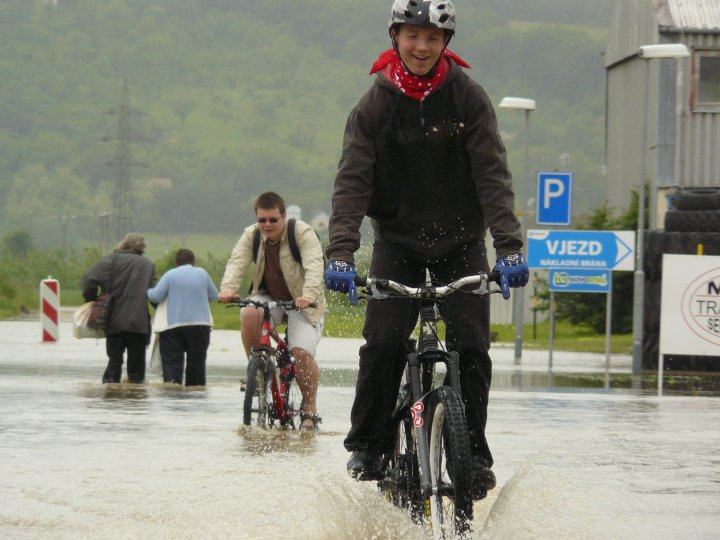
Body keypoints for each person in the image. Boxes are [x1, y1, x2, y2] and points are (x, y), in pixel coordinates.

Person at [324, 0, 529, 491]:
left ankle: (474, 457)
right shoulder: (374, 104)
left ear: (446, 45)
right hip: (397, 242)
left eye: (433, 38)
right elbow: (352, 181)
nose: (421, 46)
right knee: (384, 343)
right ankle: (369, 444)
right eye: (412, 36)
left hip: (461, 241)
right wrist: (341, 253)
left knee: (474, 347)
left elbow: (492, 173)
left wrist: (509, 246)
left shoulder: (467, 98)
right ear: (395, 36)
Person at [218, 192, 326, 430]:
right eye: (262, 220)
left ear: (283, 216)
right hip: (268, 296)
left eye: (272, 220)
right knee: (248, 312)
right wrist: (227, 289)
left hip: (304, 302)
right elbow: (237, 262)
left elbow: (315, 266)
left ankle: (310, 408)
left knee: (300, 353)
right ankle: (255, 373)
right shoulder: (252, 235)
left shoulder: (302, 233)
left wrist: (307, 295)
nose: (267, 225)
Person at [82, 233, 157, 384]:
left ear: (124, 244)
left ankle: (110, 393)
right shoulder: (147, 265)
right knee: (137, 370)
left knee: (114, 361)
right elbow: (154, 294)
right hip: (139, 323)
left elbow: (89, 280)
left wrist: (93, 300)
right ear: (142, 248)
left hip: (113, 320)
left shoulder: (109, 260)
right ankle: (135, 398)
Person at [147, 249, 219, 386]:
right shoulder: (202, 273)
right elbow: (214, 296)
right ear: (193, 261)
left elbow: (155, 296)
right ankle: (195, 395)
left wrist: (146, 290)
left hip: (173, 328)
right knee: (197, 366)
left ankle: (173, 391)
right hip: (201, 326)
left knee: (172, 368)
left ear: (176, 262)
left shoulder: (170, 275)